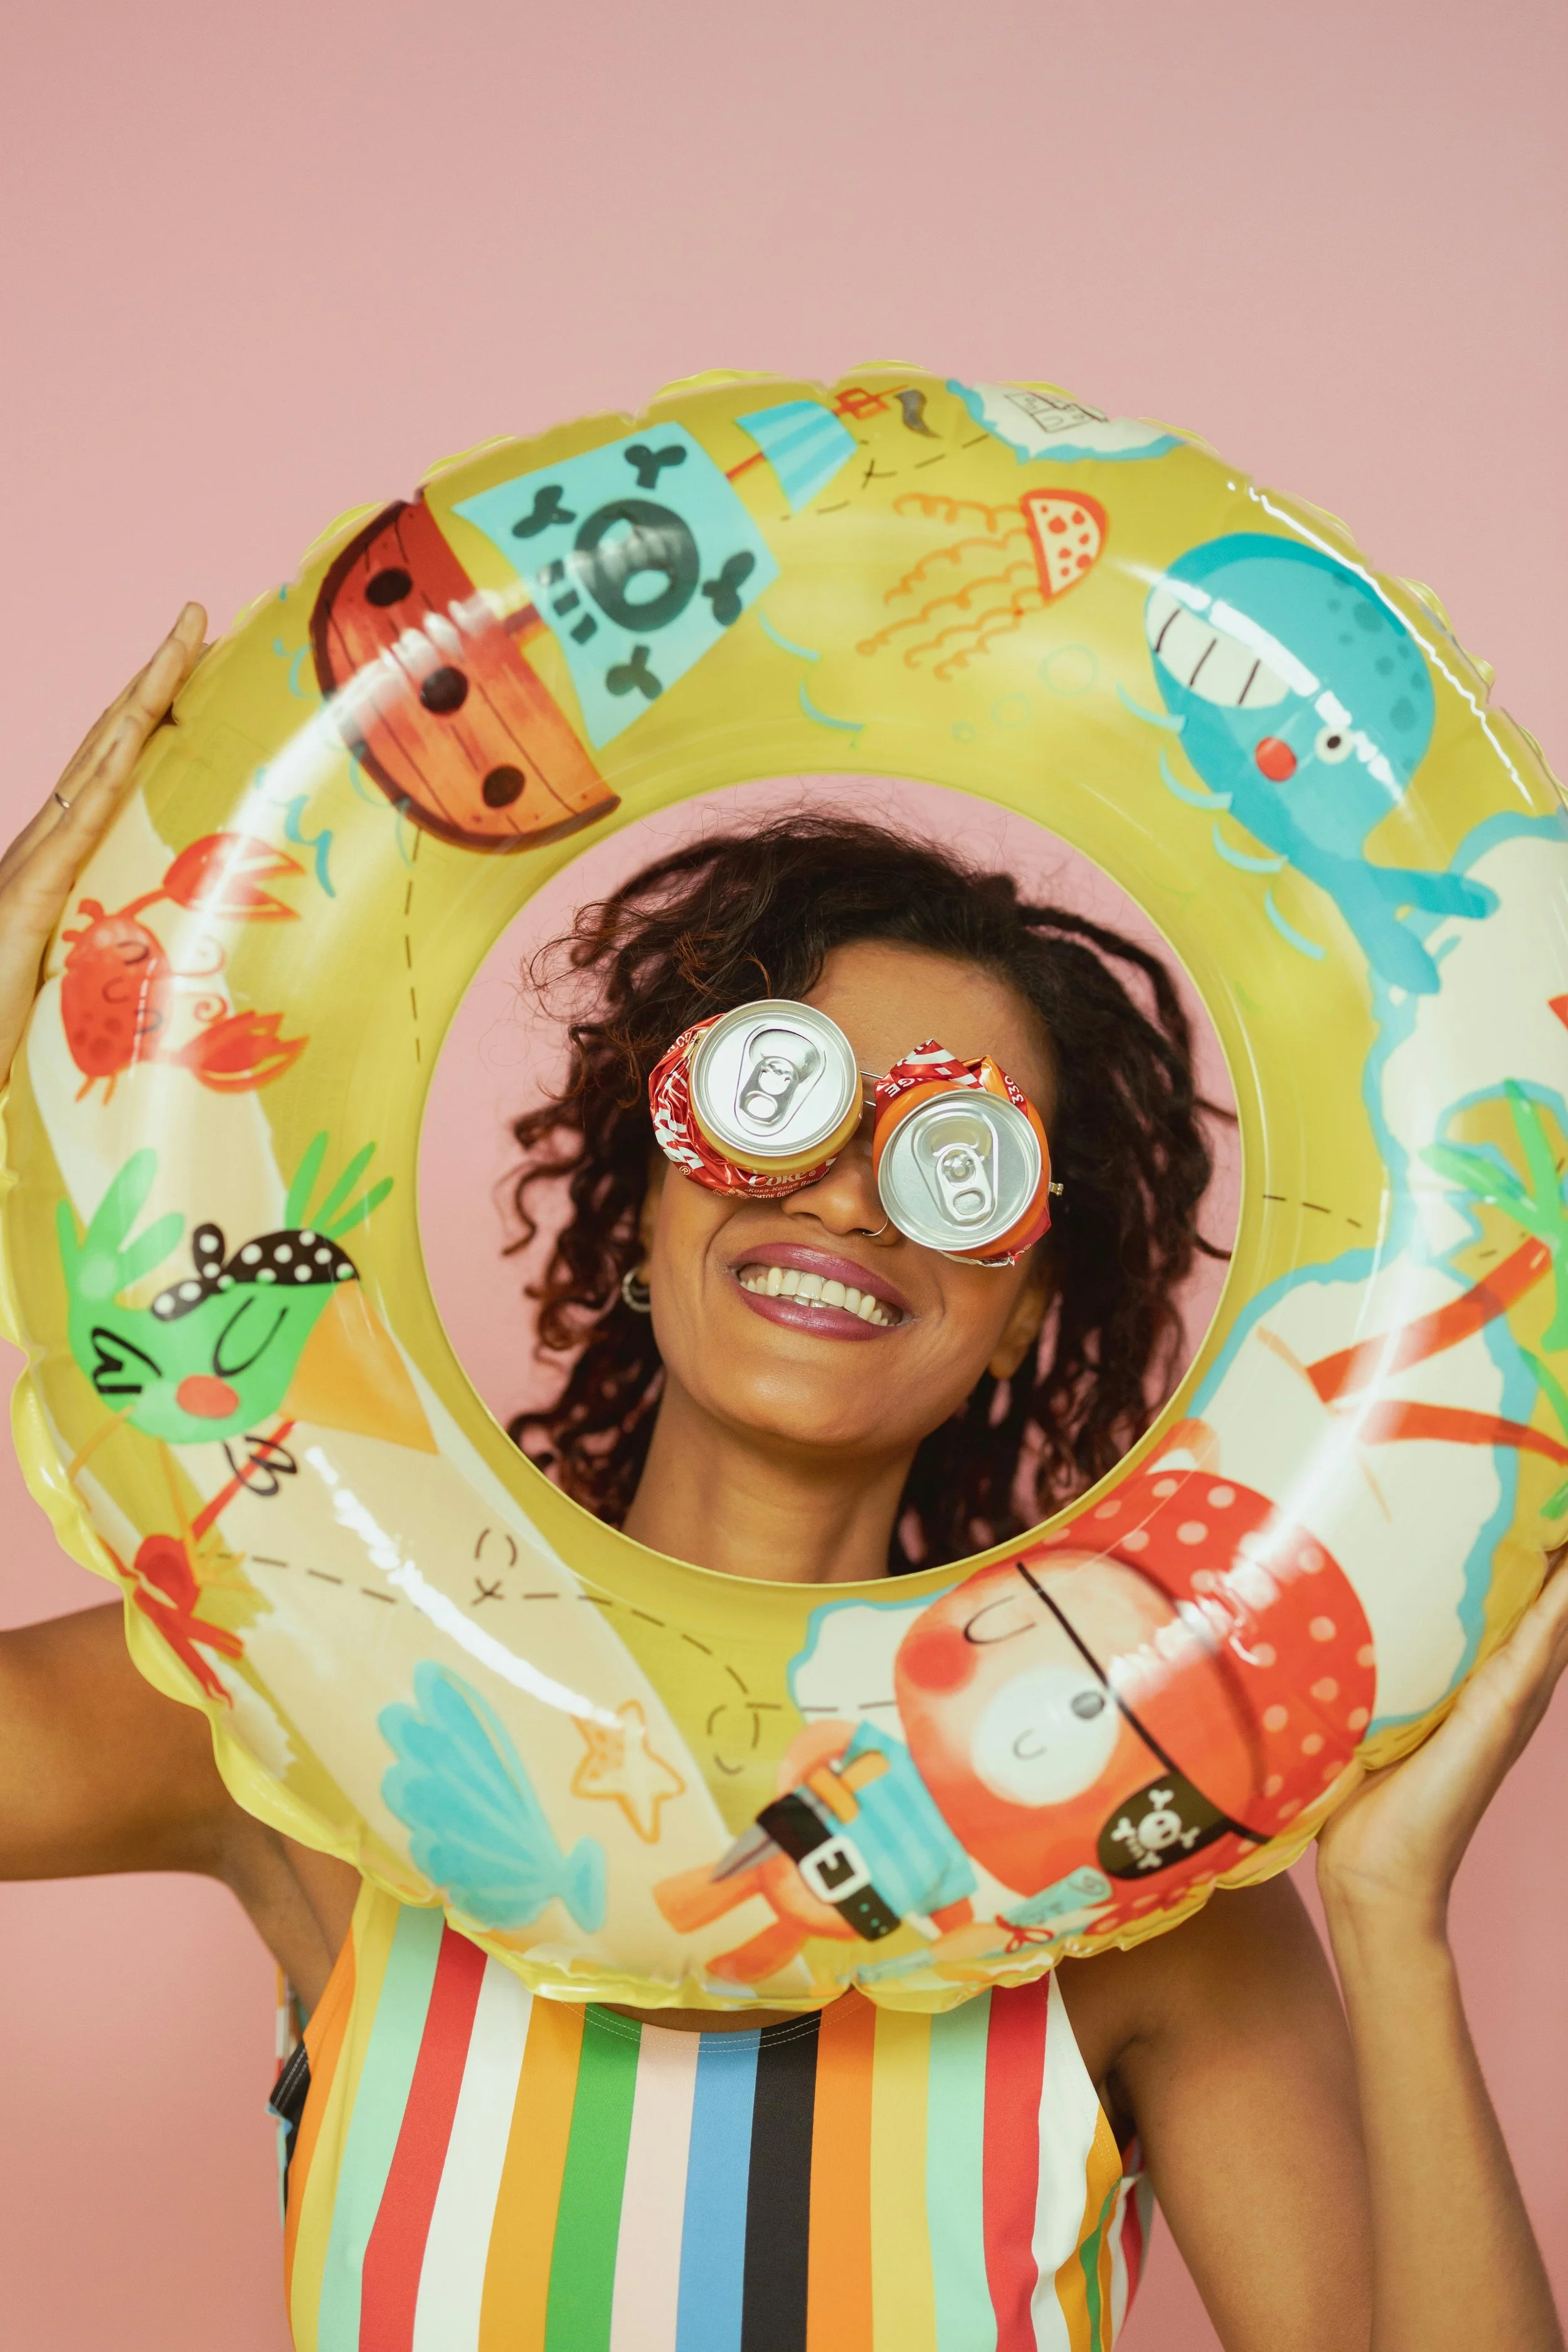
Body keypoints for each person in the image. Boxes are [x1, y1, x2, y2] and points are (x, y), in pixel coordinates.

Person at [1, 612, 1564, 2352]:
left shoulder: (1135, 1876)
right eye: (778, 1104)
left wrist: (1390, 1915)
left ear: (1019, 1313)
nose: (843, 1196)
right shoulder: (321, 1684)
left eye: (950, 1160)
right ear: (645, 1208)